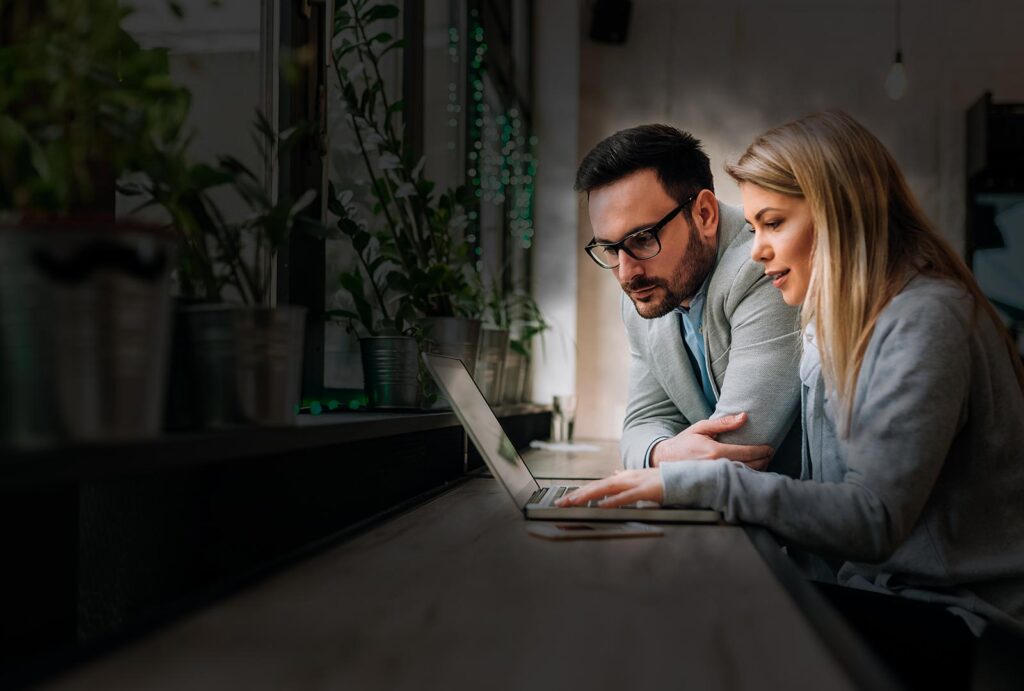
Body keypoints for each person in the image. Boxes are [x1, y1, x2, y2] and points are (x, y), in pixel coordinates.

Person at [560, 111, 1024, 688]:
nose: (755, 251)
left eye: (772, 224)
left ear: (840, 214)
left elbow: (871, 519)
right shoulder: (838, 324)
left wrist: (692, 477)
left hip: (965, 623)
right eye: (753, 227)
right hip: (882, 591)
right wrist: (668, 460)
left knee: (682, 620)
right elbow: (646, 422)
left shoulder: (926, 320)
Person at [575, 124, 802, 476]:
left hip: (798, 518)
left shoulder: (767, 267)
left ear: (704, 215)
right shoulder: (649, 290)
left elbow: (737, 450)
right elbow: (642, 423)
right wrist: (661, 453)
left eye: (643, 239)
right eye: (610, 249)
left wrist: (665, 457)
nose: (625, 273)